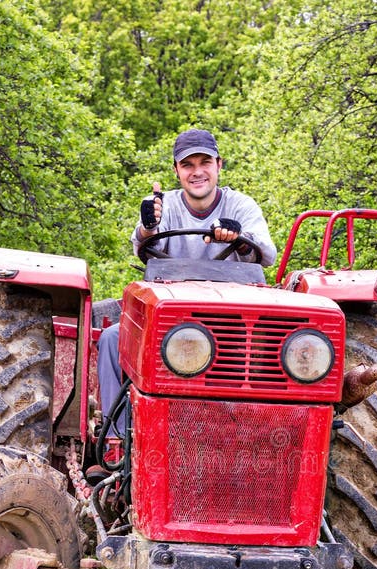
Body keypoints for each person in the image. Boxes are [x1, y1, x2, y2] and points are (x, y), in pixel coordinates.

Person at [97, 128, 277, 444]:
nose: (197, 172)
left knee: (274, 348)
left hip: (229, 316)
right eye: (187, 164)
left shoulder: (241, 206)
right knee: (113, 338)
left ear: (219, 165)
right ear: (177, 171)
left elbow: (267, 255)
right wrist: (147, 227)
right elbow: (141, 240)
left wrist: (238, 241)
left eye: (204, 162)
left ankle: (263, 436)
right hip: (170, 318)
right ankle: (115, 443)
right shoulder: (160, 206)